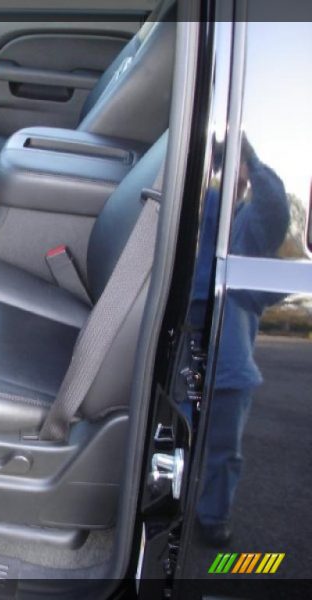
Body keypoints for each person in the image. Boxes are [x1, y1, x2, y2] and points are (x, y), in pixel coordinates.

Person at [189, 135, 290, 547]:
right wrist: (206, 162)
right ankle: (157, 507)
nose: (235, 182)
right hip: (180, 349)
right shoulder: (200, 208)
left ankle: (213, 517)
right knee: (163, 439)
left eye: (240, 176)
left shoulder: (252, 225)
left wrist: (251, 160)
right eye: (225, 170)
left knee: (223, 452)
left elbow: (275, 206)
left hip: (230, 365)